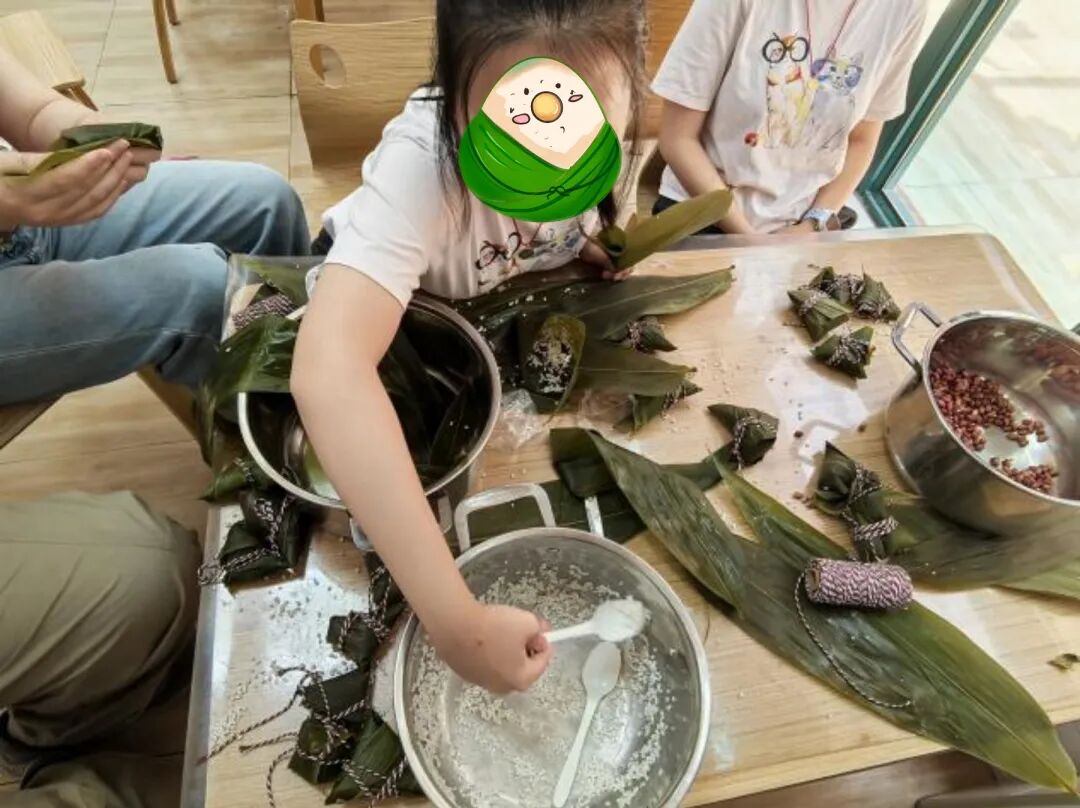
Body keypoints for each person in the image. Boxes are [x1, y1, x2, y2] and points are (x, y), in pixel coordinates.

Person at [293, 0, 645, 693]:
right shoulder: (419, 173)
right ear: (452, 94)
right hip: (393, 315)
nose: (544, 167)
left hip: (497, 308)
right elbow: (329, 371)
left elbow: (561, 223)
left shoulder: (606, 146)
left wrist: (584, 242)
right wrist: (456, 623)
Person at [0, 47, 310, 406]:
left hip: (22, 221)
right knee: (201, 287)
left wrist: (92, 137)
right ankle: (272, 425)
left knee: (265, 200)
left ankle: (298, 387)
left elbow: (34, 113)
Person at [653, 0, 928, 235]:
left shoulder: (907, 7)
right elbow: (678, 139)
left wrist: (813, 224)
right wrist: (750, 241)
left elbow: (861, 140)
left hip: (804, 224)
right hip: (703, 213)